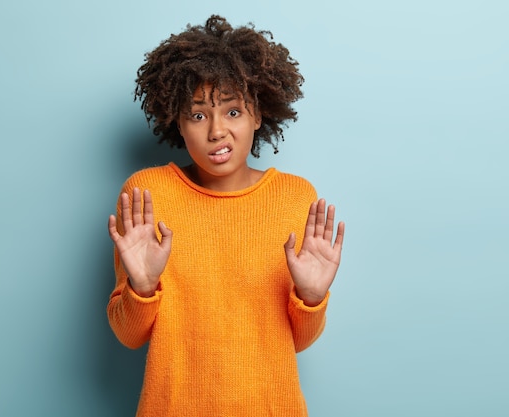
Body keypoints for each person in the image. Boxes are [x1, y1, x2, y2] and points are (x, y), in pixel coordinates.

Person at [107, 14, 345, 417]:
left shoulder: (295, 197)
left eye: (233, 111)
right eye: (198, 115)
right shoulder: (147, 195)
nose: (217, 131)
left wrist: (312, 297)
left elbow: (298, 342)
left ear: (258, 114)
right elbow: (129, 336)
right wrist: (142, 286)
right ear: (177, 123)